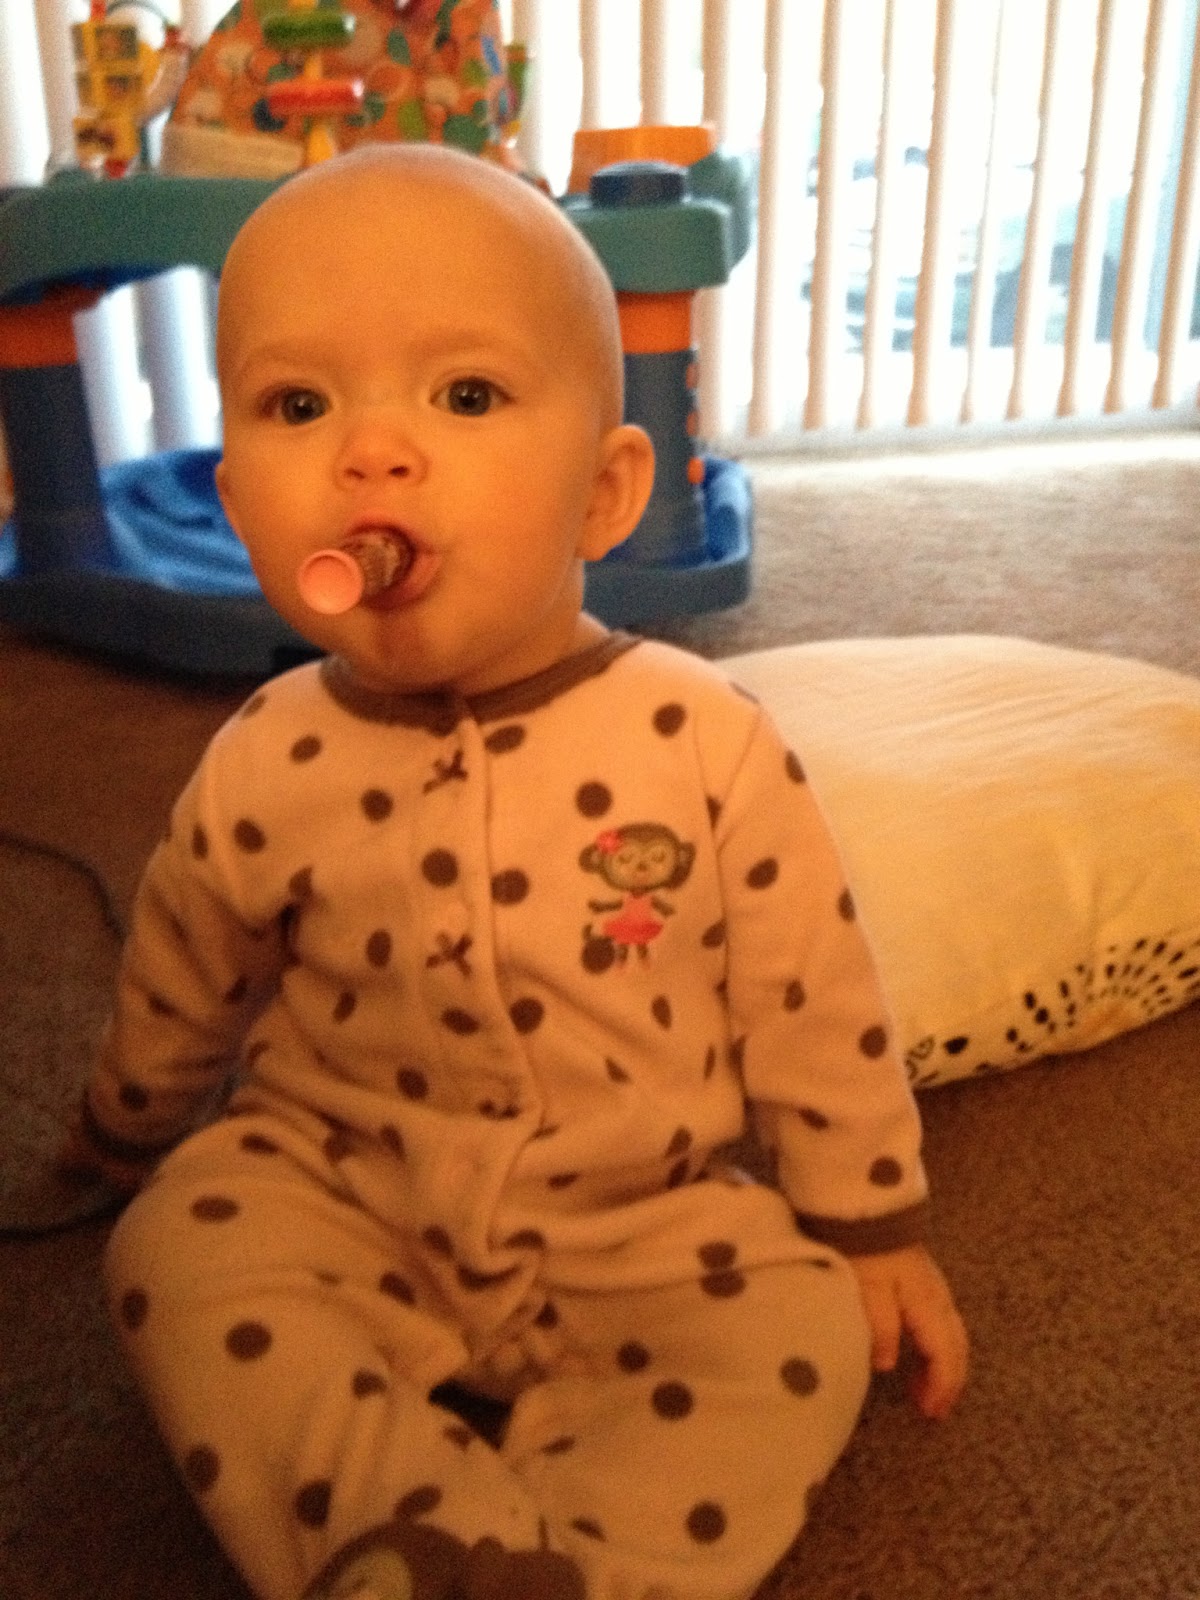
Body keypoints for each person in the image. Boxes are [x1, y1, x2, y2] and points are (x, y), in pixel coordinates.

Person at [66, 144, 968, 1600]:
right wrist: (123, 1130)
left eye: (467, 396)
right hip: (342, 1183)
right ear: (237, 505)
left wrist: (869, 1219)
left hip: (643, 1218)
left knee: (798, 1327)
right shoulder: (264, 754)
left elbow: (814, 996)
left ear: (604, 495)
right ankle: (408, 1539)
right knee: (174, 1250)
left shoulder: (705, 737)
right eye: (301, 407)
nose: (372, 456)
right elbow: (182, 974)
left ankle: (587, 1569)